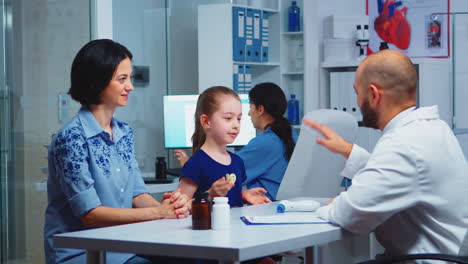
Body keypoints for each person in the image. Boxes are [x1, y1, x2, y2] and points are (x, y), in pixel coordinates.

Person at [307, 49, 468, 258]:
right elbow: (400, 178)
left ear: (373, 95)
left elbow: (351, 215)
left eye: (357, 93)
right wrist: (350, 151)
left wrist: (332, 205)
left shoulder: (403, 143)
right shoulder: (432, 128)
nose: (356, 103)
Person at [44, 39, 190, 264]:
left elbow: (137, 195)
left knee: (191, 259)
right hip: (81, 253)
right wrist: (158, 213)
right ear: (95, 82)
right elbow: (90, 215)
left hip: (122, 244)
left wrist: (173, 209)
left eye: (130, 78)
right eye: (122, 79)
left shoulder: (124, 132)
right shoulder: (72, 138)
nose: (130, 86)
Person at [175, 82, 297, 200]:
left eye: (239, 118)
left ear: (260, 109)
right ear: (206, 122)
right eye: (228, 118)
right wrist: (210, 196)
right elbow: (178, 208)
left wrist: (242, 195)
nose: (236, 125)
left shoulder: (237, 162)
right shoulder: (196, 164)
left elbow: (229, 195)